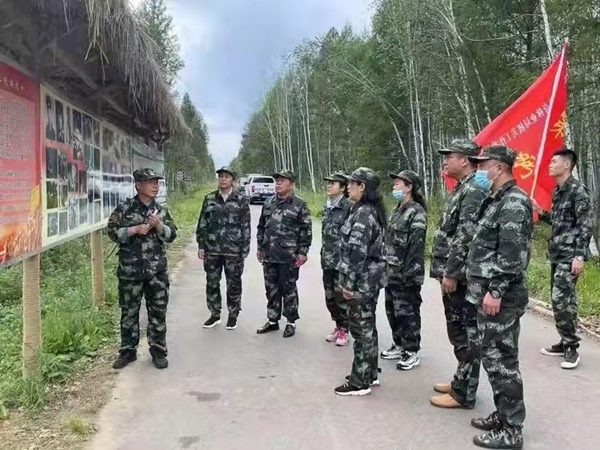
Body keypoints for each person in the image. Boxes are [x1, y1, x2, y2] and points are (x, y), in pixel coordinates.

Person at [466, 146, 533, 449]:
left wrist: (495, 290)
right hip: (489, 295)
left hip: (501, 297)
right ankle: (503, 414)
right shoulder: (495, 199)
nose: (479, 170)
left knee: (502, 361)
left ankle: (511, 430)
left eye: (484, 165)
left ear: (500, 167)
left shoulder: (514, 202)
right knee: (493, 359)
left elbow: (511, 255)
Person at [429, 139, 486, 409]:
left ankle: (464, 393)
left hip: (461, 277)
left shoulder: (473, 190)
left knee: (464, 333)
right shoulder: (463, 187)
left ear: (465, 160)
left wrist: (451, 273)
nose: (445, 161)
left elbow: (465, 235)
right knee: (458, 331)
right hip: (453, 273)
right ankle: (461, 380)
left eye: (449, 156)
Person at [107, 168, 178, 370]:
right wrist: (134, 230)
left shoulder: (161, 211)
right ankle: (127, 351)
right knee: (129, 312)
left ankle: (158, 350)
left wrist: (159, 226)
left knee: (158, 311)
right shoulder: (124, 209)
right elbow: (112, 232)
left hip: (156, 272)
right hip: (130, 272)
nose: (155, 186)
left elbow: (172, 235)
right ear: (138, 185)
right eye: (150, 182)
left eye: (157, 182)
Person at [532, 148, 593, 369]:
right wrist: (540, 211)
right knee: (565, 300)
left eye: (554, 161)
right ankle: (564, 340)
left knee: (560, 300)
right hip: (557, 254)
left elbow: (585, 225)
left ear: (567, 164)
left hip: (570, 255)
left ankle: (571, 348)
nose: (550, 165)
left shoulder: (577, 190)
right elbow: (561, 222)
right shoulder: (559, 191)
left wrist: (579, 256)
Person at [335, 167, 387, 396]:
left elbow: (357, 252)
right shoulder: (365, 210)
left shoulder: (364, 213)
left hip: (361, 281)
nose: (348, 187)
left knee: (361, 330)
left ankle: (360, 382)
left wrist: (349, 284)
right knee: (368, 327)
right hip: (369, 279)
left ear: (362, 186)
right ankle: (369, 373)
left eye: (352, 183)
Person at [256, 170, 312, 338]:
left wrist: (303, 252)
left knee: (288, 289)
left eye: (282, 180)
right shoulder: (268, 203)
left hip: (289, 256)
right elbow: (261, 226)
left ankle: (290, 321)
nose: (278, 183)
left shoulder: (299, 205)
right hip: (270, 255)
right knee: (271, 289)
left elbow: (306, 230)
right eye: (277, 180)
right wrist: (260, 247)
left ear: (291, 184)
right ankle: (273, 320)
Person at [196, 166, 251, 330]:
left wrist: (245, 248)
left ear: (233, 179)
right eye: (220, 176)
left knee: (233, 283)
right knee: (212, 282)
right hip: (212, 249)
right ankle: (215, 314)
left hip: (233, 250)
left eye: (227, 176)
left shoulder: (241, 200)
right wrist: (201, 245)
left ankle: (233, 315)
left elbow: (246, 226)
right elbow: (202, 223)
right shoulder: (209, 198)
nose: (223, 179)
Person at [383, 170, 427, 371]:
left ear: (409, 187)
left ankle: (411, 350)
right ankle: (399, 344)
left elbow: (416, 248)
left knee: (407, 313)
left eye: (398, 183)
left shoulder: (416, 212)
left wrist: (409, 275)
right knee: (392, 311)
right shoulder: (397, 210)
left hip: (407, 273)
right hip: (391, 271)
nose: (395, 186)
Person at [321, 171, 353, 346]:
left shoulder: (349, 207)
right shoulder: (327, 206)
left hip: (341, 261)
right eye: (329, 182)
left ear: (342, 188)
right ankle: (338, 325)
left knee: (341, 298)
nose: (329, 185)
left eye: (333, 183)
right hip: (327, 259)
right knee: (330, 297)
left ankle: (344, 330)